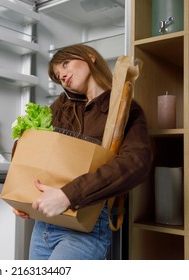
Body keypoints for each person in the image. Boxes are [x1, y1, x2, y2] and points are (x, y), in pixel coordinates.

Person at [13, 44, 152, 260]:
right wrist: (23, 195)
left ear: (90, 57)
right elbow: (30, 148)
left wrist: (69, 195)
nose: (63, 75)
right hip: (44, 226)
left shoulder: (124, 108)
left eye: (65, 64)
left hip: (86, 226)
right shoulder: (61, 108)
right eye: (58, 76)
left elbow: (136, 163)